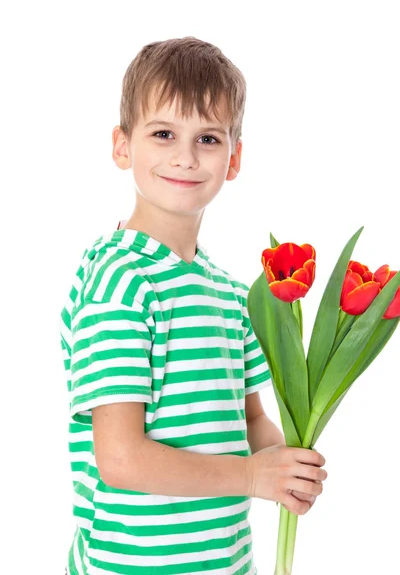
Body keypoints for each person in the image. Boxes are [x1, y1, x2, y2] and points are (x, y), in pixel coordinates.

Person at [59, 36, 328, 575]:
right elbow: (120, 459)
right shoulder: (120, 279)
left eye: (207, 138)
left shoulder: (232, 294)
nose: (185, 156)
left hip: (228, 562)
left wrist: (287, 463)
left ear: (234, 159)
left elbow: (250, 421)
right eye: (163, 133)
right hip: (132, 565)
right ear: (122, 146)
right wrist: (254, 478)